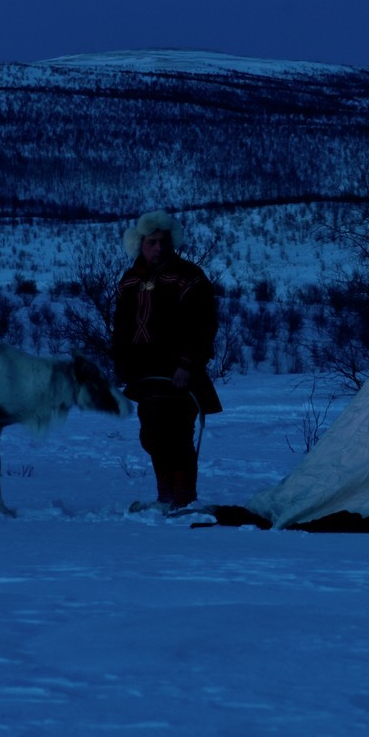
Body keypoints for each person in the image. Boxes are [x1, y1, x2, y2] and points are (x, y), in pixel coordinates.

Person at [112, 209, 221, 512]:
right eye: (152, 242)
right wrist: (122, 364)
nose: (159, 248)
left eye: (164, 241)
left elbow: (202, 324)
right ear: (139, 244)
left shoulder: (190, 277)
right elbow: (121, 326)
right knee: (152, 435)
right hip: (144, 372)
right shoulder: (129, 280)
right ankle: (165, 498)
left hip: (178, 371)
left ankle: (183, 498)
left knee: (177, 435)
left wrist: (187, 364)